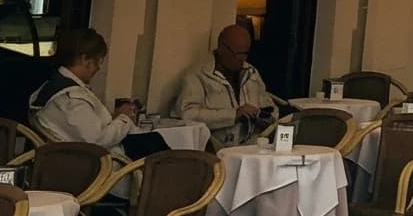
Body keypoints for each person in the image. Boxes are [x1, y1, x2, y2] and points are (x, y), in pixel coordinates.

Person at [31, 26, 165, 158]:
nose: (99, 68)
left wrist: (115, 118)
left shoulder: (52, 87)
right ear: (84, 59)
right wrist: (124, 118)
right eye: (98, 61)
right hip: (101, 164)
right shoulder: (70, 100)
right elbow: (97, 141)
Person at [168, 22, 274, 145]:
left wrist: (266, 117)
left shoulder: (251, 73)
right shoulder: (197, 76)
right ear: (221, 48)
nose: (241, 59)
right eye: (237, 54)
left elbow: (270, 107)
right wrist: (233, 115)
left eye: (245, 54)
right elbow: (188, 115)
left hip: (253, 147)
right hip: (216, 149)